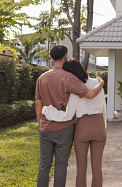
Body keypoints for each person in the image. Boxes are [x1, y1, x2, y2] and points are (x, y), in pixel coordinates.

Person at [35, 45, 104, 187]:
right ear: (65, 56)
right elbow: (90, 95)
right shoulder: (69, 78)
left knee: (44, 165)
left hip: (45, 128)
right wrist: (101, 82)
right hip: (64, 128)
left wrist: (41, 125)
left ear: (51, 58)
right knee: (61, 165)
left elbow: (38, 104)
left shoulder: (41, 78)